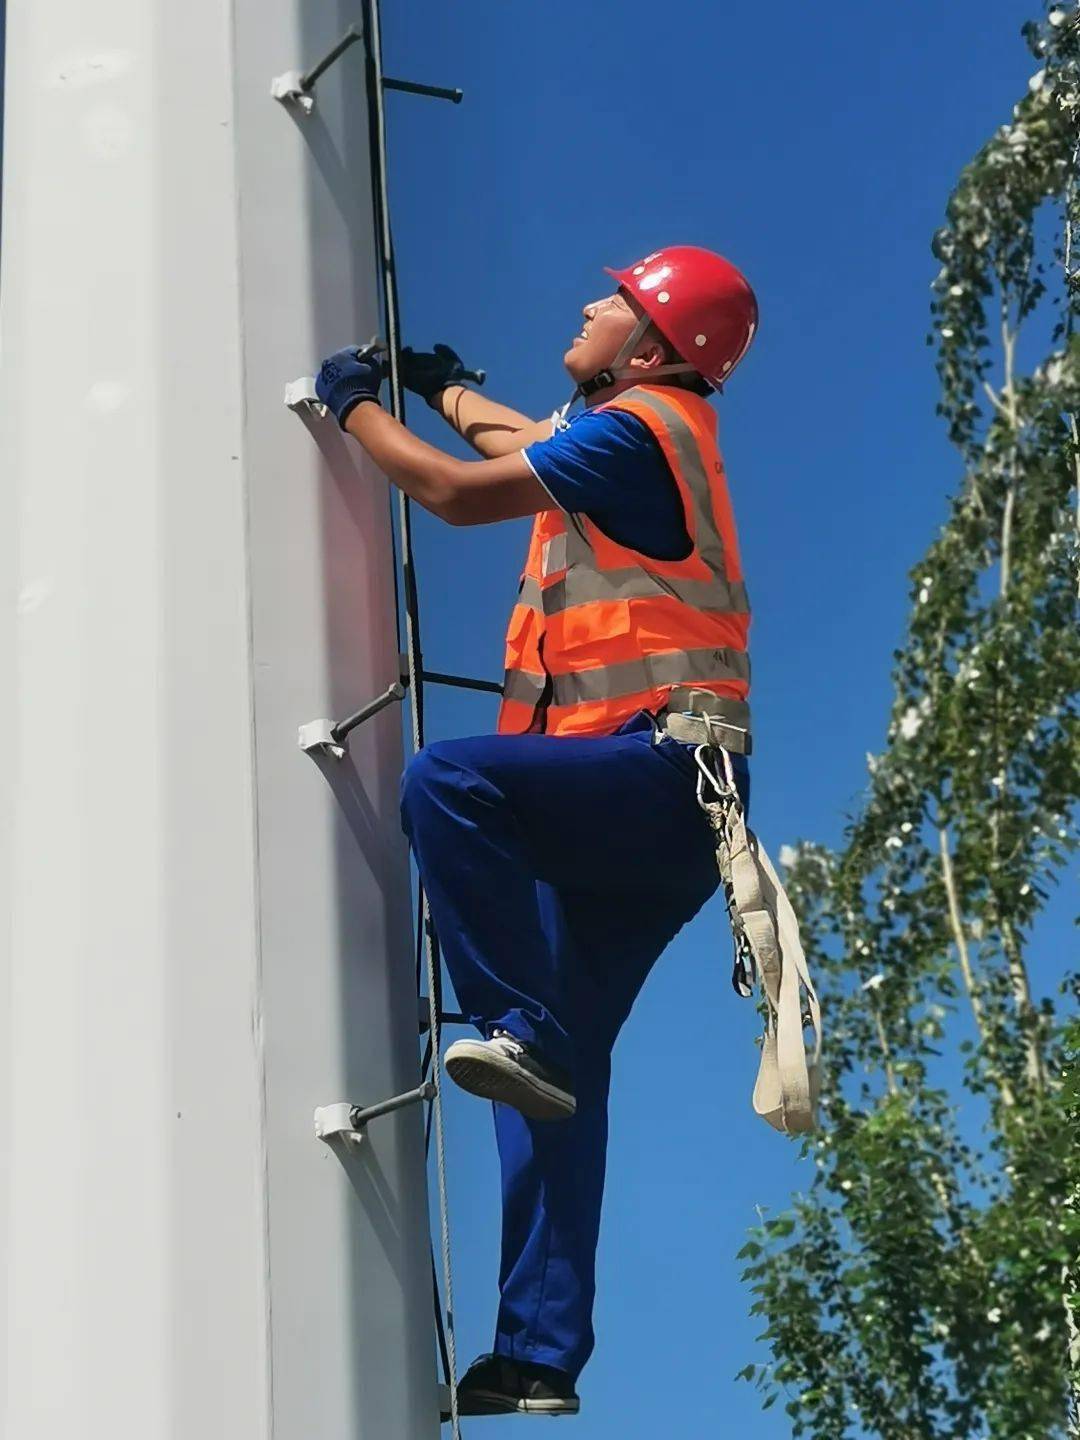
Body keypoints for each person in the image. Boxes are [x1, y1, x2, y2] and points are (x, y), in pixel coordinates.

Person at [315, 245, 758, 1418]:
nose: (585, 302)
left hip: (657, 773)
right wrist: (440, 380)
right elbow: (511, 442)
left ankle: (519, 1025)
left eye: (612, 300)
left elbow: (461, 494)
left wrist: (351, 404)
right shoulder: (629, 432)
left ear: (653, 347)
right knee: (558, 1078)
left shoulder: (639, 429)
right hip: (643, 803)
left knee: (448, 784)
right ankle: (538, 1357)